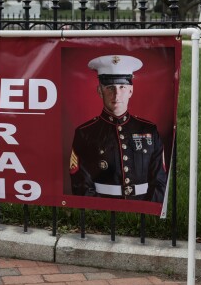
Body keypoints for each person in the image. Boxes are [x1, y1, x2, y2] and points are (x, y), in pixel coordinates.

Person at [69, 54, 167, 202]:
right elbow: (81, 185)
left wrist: (146, 211)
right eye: (110, 88)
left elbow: (160, 180)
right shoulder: (85, 133)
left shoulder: (149, 130)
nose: (117, 94)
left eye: (122, 87)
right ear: (100, 91)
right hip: (102, 209)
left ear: (131, 91)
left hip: (144, 207)